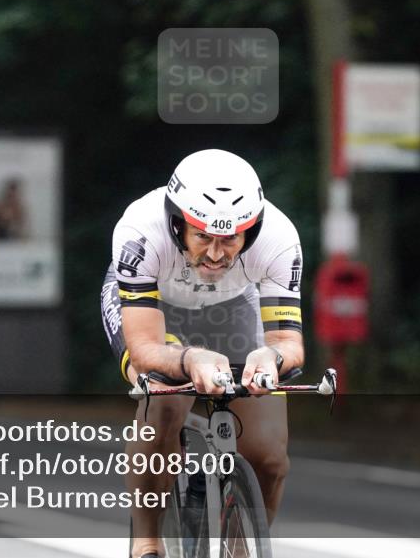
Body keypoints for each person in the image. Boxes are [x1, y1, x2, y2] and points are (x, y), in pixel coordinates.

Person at [100, 149, 304, 558]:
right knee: (165, 404)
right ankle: (147, 543)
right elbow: (144, 350)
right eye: (203, 237)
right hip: (156, 309)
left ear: (252, 231)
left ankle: (241, 549)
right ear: (178, 224)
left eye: (230, 239)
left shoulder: (280, 238)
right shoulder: (141, 231)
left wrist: (271, 359)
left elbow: (288, 342)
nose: (215, 254)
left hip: (233, 308)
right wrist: (190, 359)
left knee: (268, 457)